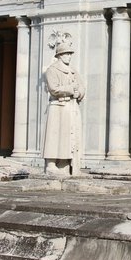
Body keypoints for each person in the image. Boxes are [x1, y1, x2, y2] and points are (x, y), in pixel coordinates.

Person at [42, 40, 84, 175]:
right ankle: (51, 164)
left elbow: (81, 86)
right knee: (54, 136)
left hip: (71, 107)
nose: (69, 56)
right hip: (58, 106)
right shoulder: (52, 70)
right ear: (60, 55)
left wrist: (79, 93)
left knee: (67, 137)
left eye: (70, 54)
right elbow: (53, 89)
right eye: (66, 54)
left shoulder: (73, 71)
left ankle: (64, 164)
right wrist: (71, 90)